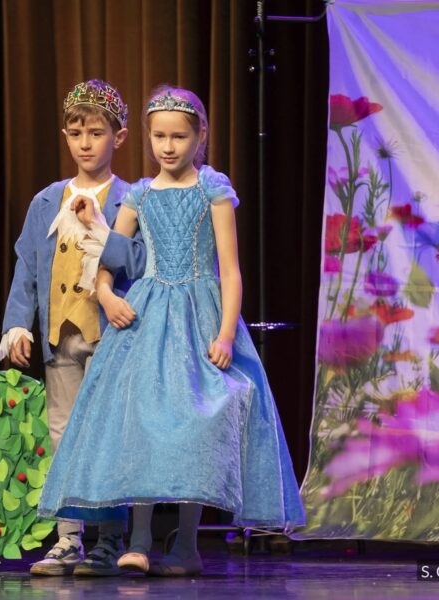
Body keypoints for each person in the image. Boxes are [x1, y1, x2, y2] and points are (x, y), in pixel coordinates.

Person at [37, 85, 305, 576]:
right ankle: (138, 542)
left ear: (199, 136)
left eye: (178, 137)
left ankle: (185, 546)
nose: (167, 146)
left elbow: (230, 271)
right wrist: (106, 293)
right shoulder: (139, 194)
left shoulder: (212, 190)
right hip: (147, 315)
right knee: (140, 420)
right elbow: (111, 256)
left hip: (199, 314)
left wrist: (225, 334)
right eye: (159, 136)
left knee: (195, 425)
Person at [0, 79, 145, 577]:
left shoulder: (130, 200)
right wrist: (17, 326)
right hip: (60, 339)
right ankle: (68, 539)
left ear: (118, 138)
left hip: (110, 337)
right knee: (62, 434)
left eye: (96, 133)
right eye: (77, 133)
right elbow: (27, 266)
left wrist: (103, 227)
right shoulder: (46, 201)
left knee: (109, 435)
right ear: (65, 136)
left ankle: (110, 539)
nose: (86, 143)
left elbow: (138, 264)